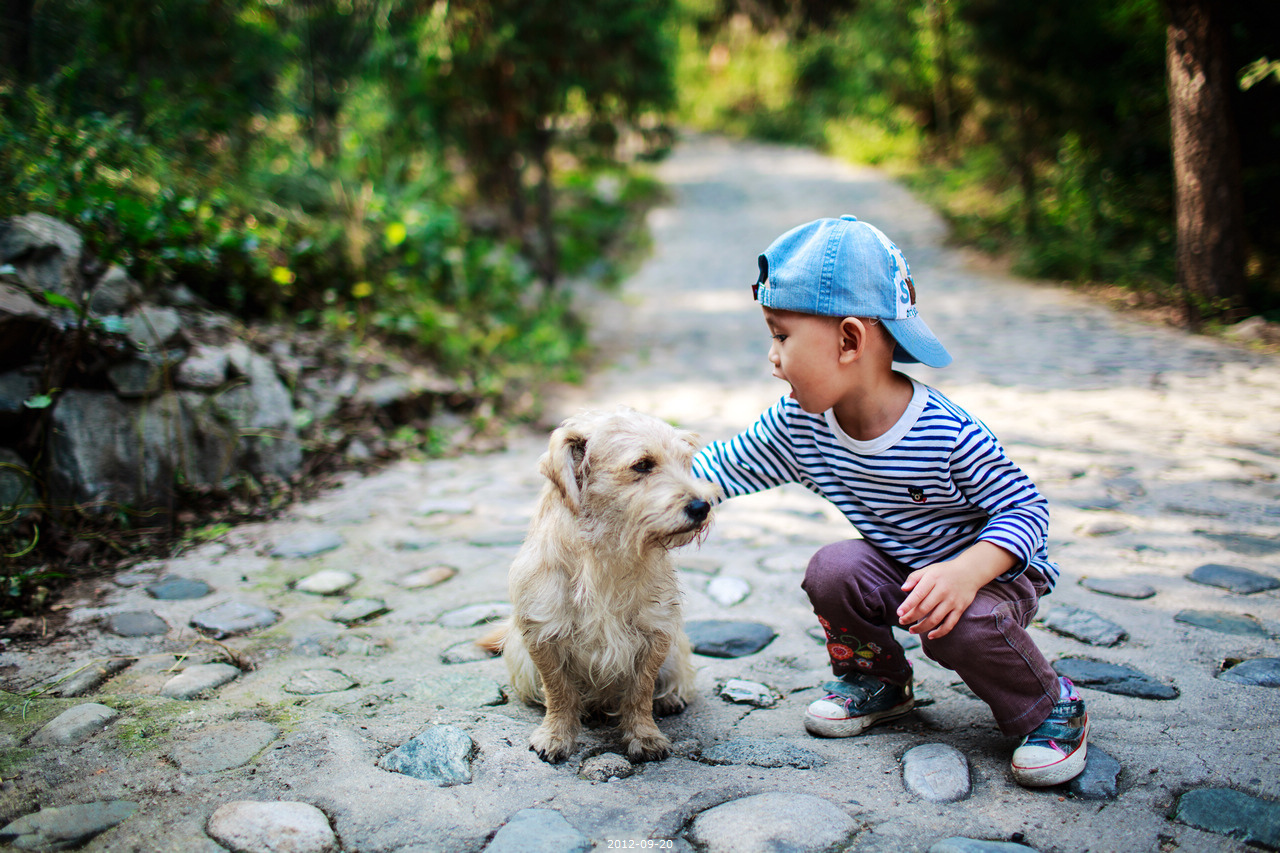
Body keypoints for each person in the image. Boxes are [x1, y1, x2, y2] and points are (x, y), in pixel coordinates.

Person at [691, 215, 1088, 787]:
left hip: (991, 575)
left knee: (959, 627)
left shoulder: (945, 433)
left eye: (781, 336)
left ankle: (1050, 705)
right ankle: (878, 680)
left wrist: (965, 574)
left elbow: (1027, 510)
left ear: (850, 340)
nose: (772, 358)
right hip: (901, 564)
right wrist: (636, 483)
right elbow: (717, 470)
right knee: (834, 569)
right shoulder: (799, 424)